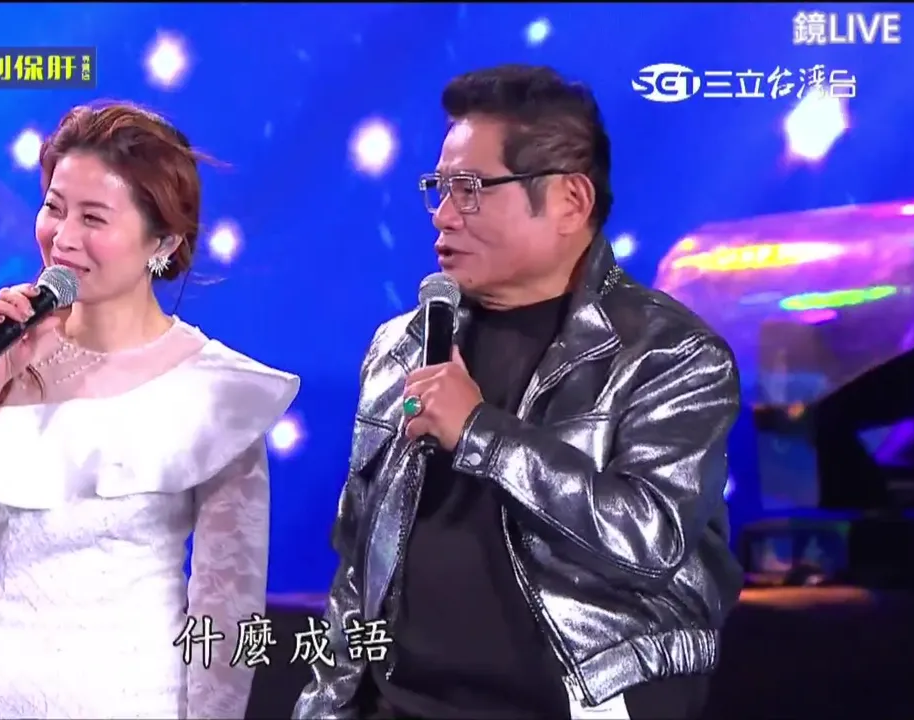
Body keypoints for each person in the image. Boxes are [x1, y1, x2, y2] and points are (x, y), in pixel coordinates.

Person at [294, 65, 743, 720]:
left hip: (580, 704)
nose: (444, 215)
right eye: (439, 188)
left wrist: (480, 432)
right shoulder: (402, 345)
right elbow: (357, 565)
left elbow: (650, 542)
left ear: (569, 201)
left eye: (471, 189)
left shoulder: (669, 354)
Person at [0, 102, 299, 719]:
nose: (63, 238)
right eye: (54, 208)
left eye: (93, 217)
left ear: (163, 241)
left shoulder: (212, 393)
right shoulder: (4, 349)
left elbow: (226, 608)